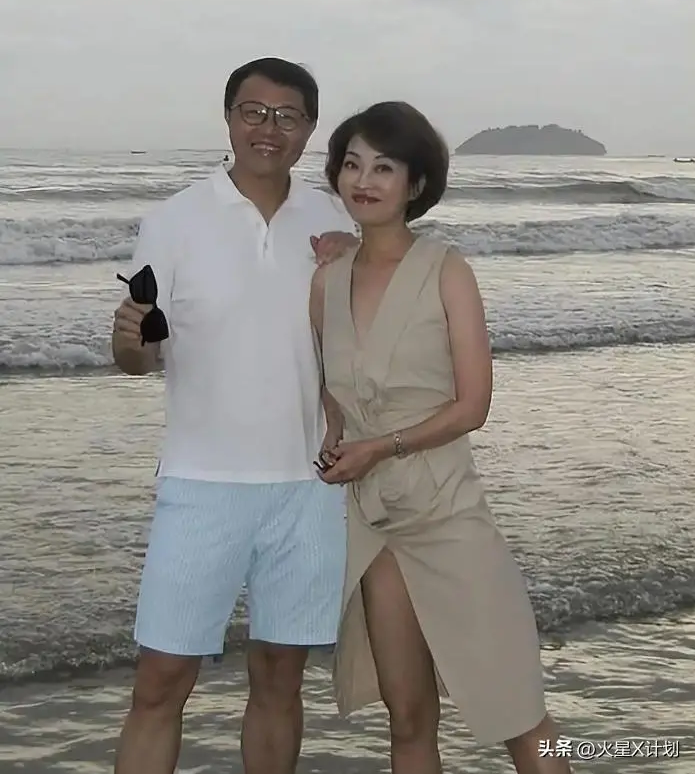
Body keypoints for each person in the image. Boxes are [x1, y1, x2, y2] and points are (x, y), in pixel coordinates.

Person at [309, 101, 573, 774]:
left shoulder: (445, 268)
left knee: (519, 713)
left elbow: (473, 405)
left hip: (448, 511)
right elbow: (330, 394)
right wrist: (334, 438)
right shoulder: (326, 281)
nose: (363, 180)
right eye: (352, 164)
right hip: (374, 524)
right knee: (407, 719)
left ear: (416, 183)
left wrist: (381, 446)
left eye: (384, 167)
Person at [111, 57, 358, 774]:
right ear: (228, 118)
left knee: (280, 676)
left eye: (288, 116)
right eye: (253, 112)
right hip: (202, 484)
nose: (268, 129)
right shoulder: (175, 220)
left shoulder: (334, 218)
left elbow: (361, 339)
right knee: (160, 682)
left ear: (309, 128)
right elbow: (139, 358)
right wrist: (128, 338)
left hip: (309, 486)